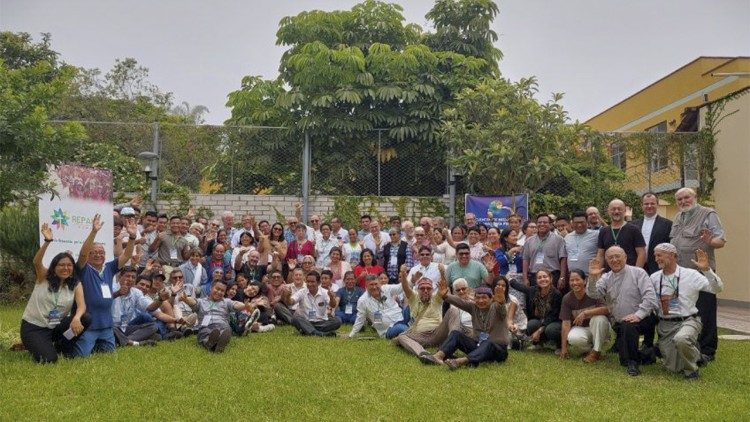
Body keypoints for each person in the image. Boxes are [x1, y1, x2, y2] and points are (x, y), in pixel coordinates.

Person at [670, 187, 726, 363]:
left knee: (705, 310)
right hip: (680, 273)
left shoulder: (708, 214)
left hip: (700, 272)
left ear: (695, 197)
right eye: (679, 199)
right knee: (684, 308)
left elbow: (721, 241)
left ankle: (708, 349)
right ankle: (687, 342)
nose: (683, 201)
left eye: (686, 197)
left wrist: (710, 241)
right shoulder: (678, 217)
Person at [651, 243, 723, 379]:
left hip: (688, 320)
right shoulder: (654, 278)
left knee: (681, 339)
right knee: (673, 368)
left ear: (672, 255)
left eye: (659, 255)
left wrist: (707, 270)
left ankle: (692, 371)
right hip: (665, 324)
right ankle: (697, 356)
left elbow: (717, 289)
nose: (656, 259)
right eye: (655, 256)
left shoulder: (691, 274)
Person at [20, 223, 90, 363]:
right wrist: (47, 242)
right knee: (49, 359)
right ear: (54, 267)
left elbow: (81, 306)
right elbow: (36, 262)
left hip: (55, 327)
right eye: (61, 265)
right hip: (34, 328)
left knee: (86, 318)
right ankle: (36, 345)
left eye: (69, 265)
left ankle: (63, 345)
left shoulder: (75, 283)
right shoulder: (44, 277)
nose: (66, 268)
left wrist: (76, 318)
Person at [587, 246, 659, 376]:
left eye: (617, 256)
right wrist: (592, 277)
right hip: (620, 322)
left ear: (625, 257)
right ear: (607, 260)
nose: (614, 260)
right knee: (622, 360)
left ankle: (634, 363)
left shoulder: (638, 273)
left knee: (628, 325)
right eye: (610, 257)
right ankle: (646, 354)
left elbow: (650, 298)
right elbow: (594, 294)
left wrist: (638, 315)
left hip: (644, 318)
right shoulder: (606, 277)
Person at [74, 214, 137, 357]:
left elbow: (126, 256)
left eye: (101, 253)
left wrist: (132, 237)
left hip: (107, 325)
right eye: (94, 253)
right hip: (89, 326)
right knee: (81, 356)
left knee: (109, 355)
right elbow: (83, 255)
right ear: (89, 255)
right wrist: (94, 232)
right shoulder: (84, 269)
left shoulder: (109, 268)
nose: (98, 255)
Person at [421, 280, 510, 370]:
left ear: (491, 299)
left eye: (484, 297)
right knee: (456, 334)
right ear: (474, 299)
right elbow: (459, 302)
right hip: (478, 346)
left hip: (497, 350)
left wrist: (501, 303)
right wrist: (445, 295)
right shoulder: (473, 307)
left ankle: (460, 361)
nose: (480, 300)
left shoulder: (496, 307)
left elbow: (503, 311)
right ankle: (438, 356)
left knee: (489, 342)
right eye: (478, 298)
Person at [396, 264, 461, 359]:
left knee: (453, 311)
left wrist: (442, 274)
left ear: (432, 290)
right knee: (402, 336)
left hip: (437, 333)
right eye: (422, 288)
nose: (425, 290)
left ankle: (450, 345)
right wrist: (403, 274)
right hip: (420, 336)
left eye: (428, 288)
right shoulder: (414, 298)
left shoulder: (436, 298)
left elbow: (443, 286)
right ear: (417, 290)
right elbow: (406, 288)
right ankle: (423, 354)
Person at [182, 280, 252, 352]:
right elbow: (193, 302)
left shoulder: (227, 302)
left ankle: (218, 341)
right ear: (211, 288)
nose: (219, 292)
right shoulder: (201, 301)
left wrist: (244, 306)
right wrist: (187, 299)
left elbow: (235, 305)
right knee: (205, 331)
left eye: (222, 291)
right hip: (206, 326)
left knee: (225, 330)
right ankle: (209, 342)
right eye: (217, 289)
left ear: (224, 292)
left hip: (222, 325)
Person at [558, 270, 610, 363]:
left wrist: (586, 313)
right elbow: (566, 323)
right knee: (573, 337)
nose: (574, 283)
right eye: (571, 280)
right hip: (582, 328)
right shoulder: (567, 298)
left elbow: (607, 309)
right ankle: (590, 349)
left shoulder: (593, 292)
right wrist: (564, 348)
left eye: (577, 280)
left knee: (599, 319)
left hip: (599, 326)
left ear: (585, 281)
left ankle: (596, 352)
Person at [111, 266, 167, 347]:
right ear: (120, 276)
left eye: (133, 277)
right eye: (127, 276)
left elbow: (150, 307)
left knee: (153, 327)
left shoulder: (136, 292)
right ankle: (132, 343)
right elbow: (101, 301)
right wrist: (117, 293)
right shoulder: (111, 287)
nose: (130, 279)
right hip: (112, 326)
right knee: (108, 326)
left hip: (126, 327)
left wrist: (160, 299)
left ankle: (123, 341)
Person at [510, 268, 563, 352]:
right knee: (531, 324)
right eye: (539, 277)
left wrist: (539, 330)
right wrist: (509, 279)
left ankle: (558, 346)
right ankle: (538, 344)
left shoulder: (557, 294)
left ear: (551, 278)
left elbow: (554, 315)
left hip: (554, 321)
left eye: (545, 276)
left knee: (551, 329)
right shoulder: (533, 290)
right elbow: (520, 287)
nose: (542, 279)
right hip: (540, 319)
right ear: (536, 280)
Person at [281, 270, 341, 337]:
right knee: (296, 319)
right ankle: (319, 333)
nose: (309, 284)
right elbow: (290, 302)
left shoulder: (324, 292)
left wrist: (332, 297)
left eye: (312, 282)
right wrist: (288, 296)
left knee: (337, 321)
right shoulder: (302, 292)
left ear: (318, 283)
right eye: (308, 282)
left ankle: (308, 330)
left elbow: (333, 305)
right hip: (307, 321)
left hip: (321, 322)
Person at [348, 275, 409, 339]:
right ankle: (410, 330)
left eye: (376, 284)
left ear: (379, 284)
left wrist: (408, 278)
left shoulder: (386, 288)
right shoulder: (363, 300)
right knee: (401, 328)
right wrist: (351, 334)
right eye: (371, 285)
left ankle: (411, 329)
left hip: (401, 317)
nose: (374, 287)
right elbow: (360, 319)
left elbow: (401, 287)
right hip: (388, 329)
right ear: (366, 286)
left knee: (409, 308)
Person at [596, 199, 646, 271]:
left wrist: (636, 273)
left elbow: (641, 253)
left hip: (629, 273)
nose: (616, 211)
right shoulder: (603, 231)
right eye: (613, 209)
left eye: (619, 209)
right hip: (609, 274)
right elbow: (600, 254)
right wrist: (598, 271)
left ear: (625, 211)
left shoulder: (634, 229)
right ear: (608, 212)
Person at [522, 214, 568, 290]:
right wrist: (525, 278)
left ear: (550, 224)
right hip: (534, 276)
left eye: (545, 222)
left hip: (553, 276)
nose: (542, 224)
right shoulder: (529, 241)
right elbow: (525, 260)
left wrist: (562, 277)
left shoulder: (559, 240)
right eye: (539, 222)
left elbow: (563, 259)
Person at [564, 211, 600, 276]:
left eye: (582, 222)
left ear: (587, 222)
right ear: (572, 223)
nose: (579, 225)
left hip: (590, 276)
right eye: (576, 223)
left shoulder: (596, 235)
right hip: (573, 278)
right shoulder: (567, 237)